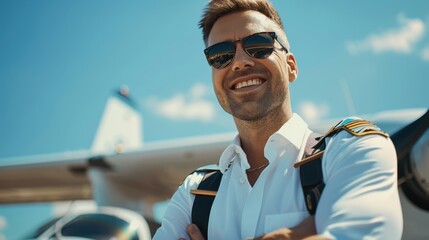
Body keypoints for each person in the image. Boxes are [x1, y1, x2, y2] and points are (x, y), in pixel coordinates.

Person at [153, 0, 403, 239]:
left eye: (259, 44)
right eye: (220, 54)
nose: (239, 62)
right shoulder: (193, 193)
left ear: (291, 66)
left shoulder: (354, 148)